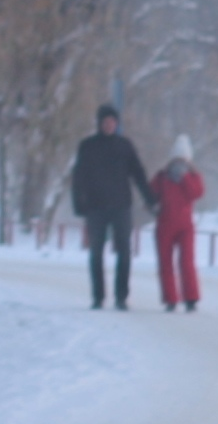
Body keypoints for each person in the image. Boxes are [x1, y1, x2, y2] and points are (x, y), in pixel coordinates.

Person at [71, 104, 156, 311]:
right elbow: (78, 178)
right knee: (96, 253)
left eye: (112, 122)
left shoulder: (124, 146)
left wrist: (150, 198)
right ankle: (98, 297)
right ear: (99, 123)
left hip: (121, 207)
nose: (109, 125)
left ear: (116, 124)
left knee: (124, 252)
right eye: (105, 121)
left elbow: (138, 173)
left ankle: (121, 297)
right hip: (95, 207)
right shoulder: (88, 146)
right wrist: (79, 204)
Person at [150, 134, 205, 313]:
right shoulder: (162, 176)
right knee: (165, 263)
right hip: (164, 224)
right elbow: (150, 194)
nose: (180, 163)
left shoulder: (193, 177)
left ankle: (191, 298)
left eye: (183, 159)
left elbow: (197, 193)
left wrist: (185, 177)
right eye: (177, 159)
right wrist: (153, 206)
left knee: (187, 262)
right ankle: (170, 299)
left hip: (185, 226)